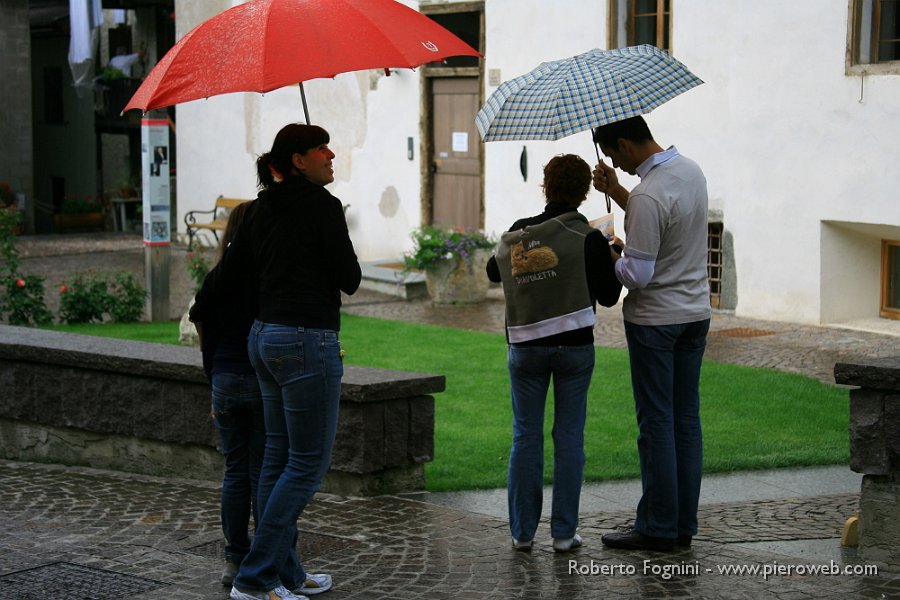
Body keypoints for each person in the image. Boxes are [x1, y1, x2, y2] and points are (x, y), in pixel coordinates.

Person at [221, 124, 361, 600]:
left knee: (276, 462)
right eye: (321, 147)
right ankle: (255, 578)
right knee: (304, 465)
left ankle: (288, 574)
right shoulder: (324, 207)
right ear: (298, 161)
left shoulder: (260, 209)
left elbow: (237, 273)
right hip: (306, 340)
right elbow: (350, 277)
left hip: (264, 338)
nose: (331, 153)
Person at [487, 154, 622, 553]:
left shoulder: (519, 232)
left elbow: (494, 272)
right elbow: (610, 297)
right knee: (569, 438)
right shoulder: (590, 238)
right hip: (575, 348)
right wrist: (613, 256)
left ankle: (522, 533)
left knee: (524, 436)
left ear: (545, 186)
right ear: (583, 192)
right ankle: (564, 533)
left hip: (526, 346)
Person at [591, 116, 711, 552]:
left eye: (615, 158)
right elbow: (664, 221)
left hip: (656, 322)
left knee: (656, 424)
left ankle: (658, 527)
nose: (617, 166)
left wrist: (612, 254)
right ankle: (681, 525)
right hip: (695, 314)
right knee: (685, 421)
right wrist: (619, 193)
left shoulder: (646, 194)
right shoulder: (690, 171)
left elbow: (637, 275)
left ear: (624, 144)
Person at [188, 200, 262, 587]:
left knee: (236, 472)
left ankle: (233, 559)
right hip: (261, 380)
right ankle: (269, 559)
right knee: (264, 472)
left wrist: (213, 376)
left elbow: (200, 319)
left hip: (225, 380)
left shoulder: (217, 277)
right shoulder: (264, 275)